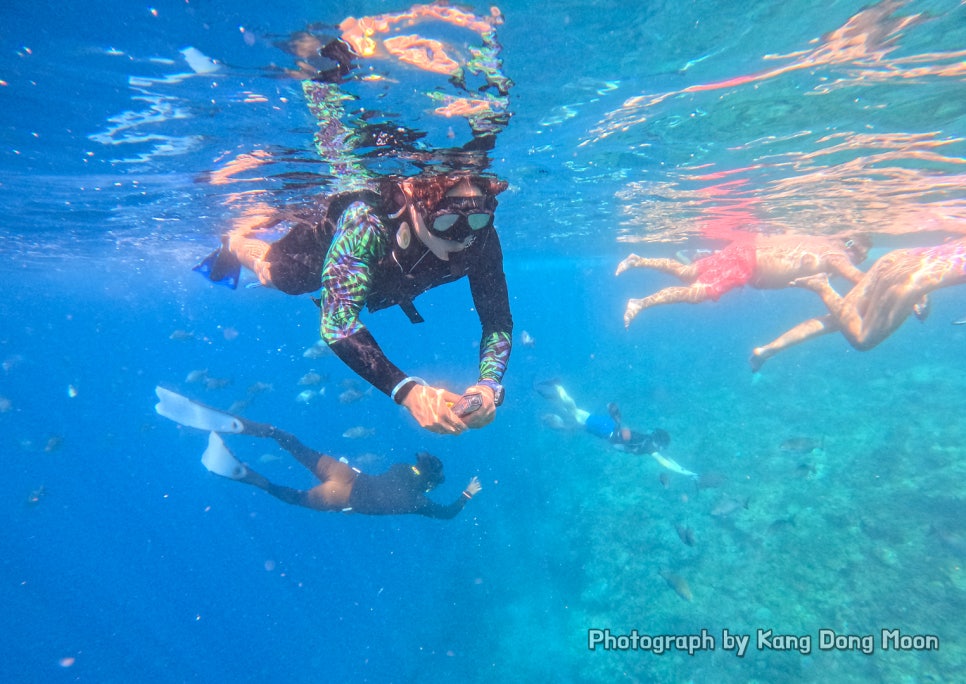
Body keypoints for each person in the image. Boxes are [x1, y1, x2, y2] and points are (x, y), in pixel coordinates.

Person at [195, 4, 514, 436]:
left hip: (390, 277)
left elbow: (496, 321)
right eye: (447, 222)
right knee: (279, 276)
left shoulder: (480, 239)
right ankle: (237, 240)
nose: (462, 237)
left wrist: (490, 385)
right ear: (415, 204)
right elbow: (337, 322)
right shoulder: (368, 224)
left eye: (476, 222)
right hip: (324, 248)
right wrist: (408, 391)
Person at [155, 387, 480, 519]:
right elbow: (447, 514)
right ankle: (247, 476)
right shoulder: (418, 502)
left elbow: (409, 476)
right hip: (342, 498)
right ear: (429, 485)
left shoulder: (402, 469)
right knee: (293, 496)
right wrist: (466, 493)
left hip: (345, 474)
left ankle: (251, 428)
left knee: (293, 443)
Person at [749, 237, 966, 370]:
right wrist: (920, 290)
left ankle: (767, 350)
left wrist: (924, 290)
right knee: (863, 339)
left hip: (899, 258)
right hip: (912, 278)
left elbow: (946, 254)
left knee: (841, 319)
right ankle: (822, 286)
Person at [615, 234, 871, 328]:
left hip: (745, 249)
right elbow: (859, 279)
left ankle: (637, 260)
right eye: (861, 257)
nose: (858, 261)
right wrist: (906, 294)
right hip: (745, 263)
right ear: (854, 249)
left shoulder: (822, 242)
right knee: (698, 292)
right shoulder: (837, 255)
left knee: (689, 271)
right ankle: (640, 303)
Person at [534, 381, 696, 478]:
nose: (661, 450)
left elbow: (667, 460)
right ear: (659, 444)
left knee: (575, 413)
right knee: (575, 414)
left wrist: (686, 471)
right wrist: (686, 473)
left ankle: (559, 389)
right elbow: (665, 463)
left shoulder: (649, 441)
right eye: (662, 447)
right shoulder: (650, 448)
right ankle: (558, 387)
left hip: (609, 426)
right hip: (606, 431)